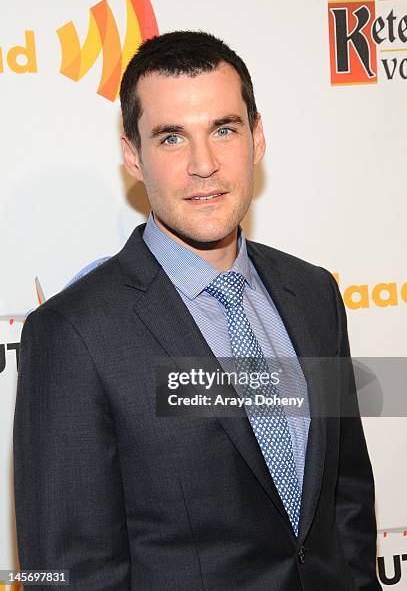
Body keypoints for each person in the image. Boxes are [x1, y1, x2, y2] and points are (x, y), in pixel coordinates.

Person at [13, 31, 381, 590]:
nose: (203, 165)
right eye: (171, 139)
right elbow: (66, 575)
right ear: (132, 155)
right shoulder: (73, 334)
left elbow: (346, 503)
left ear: (257, 138)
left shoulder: (313, 295)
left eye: (224, 129)